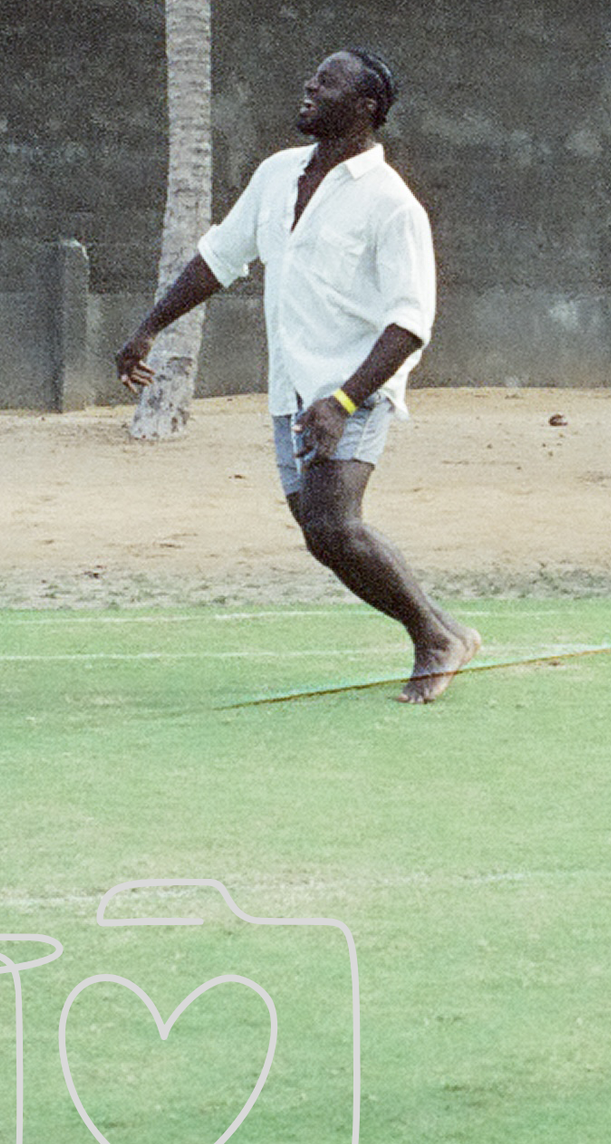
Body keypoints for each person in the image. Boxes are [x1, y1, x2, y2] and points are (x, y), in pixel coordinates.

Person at [116, 48, 481, 704]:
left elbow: (409, 321)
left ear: (367, 108)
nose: (310, 84)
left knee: (336, 523)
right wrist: (149, 325)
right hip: (291, 390)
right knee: (322, 534)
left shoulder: (391, 204)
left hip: (353, 390)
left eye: (329, 80)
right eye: (312, 73)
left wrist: (343, 399)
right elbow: (217, 258)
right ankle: (447, 629)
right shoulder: (277, 174)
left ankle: (435, 638)